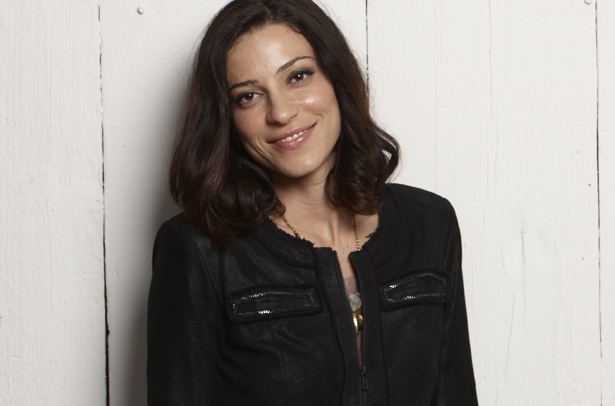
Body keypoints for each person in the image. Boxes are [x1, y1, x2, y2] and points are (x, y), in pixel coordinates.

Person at [147, 0, 478, 404]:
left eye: (298, 76)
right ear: (226, 118)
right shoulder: (199, 250)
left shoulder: (430, 224)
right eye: (248, 96)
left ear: (336, 77)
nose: (282, 112)